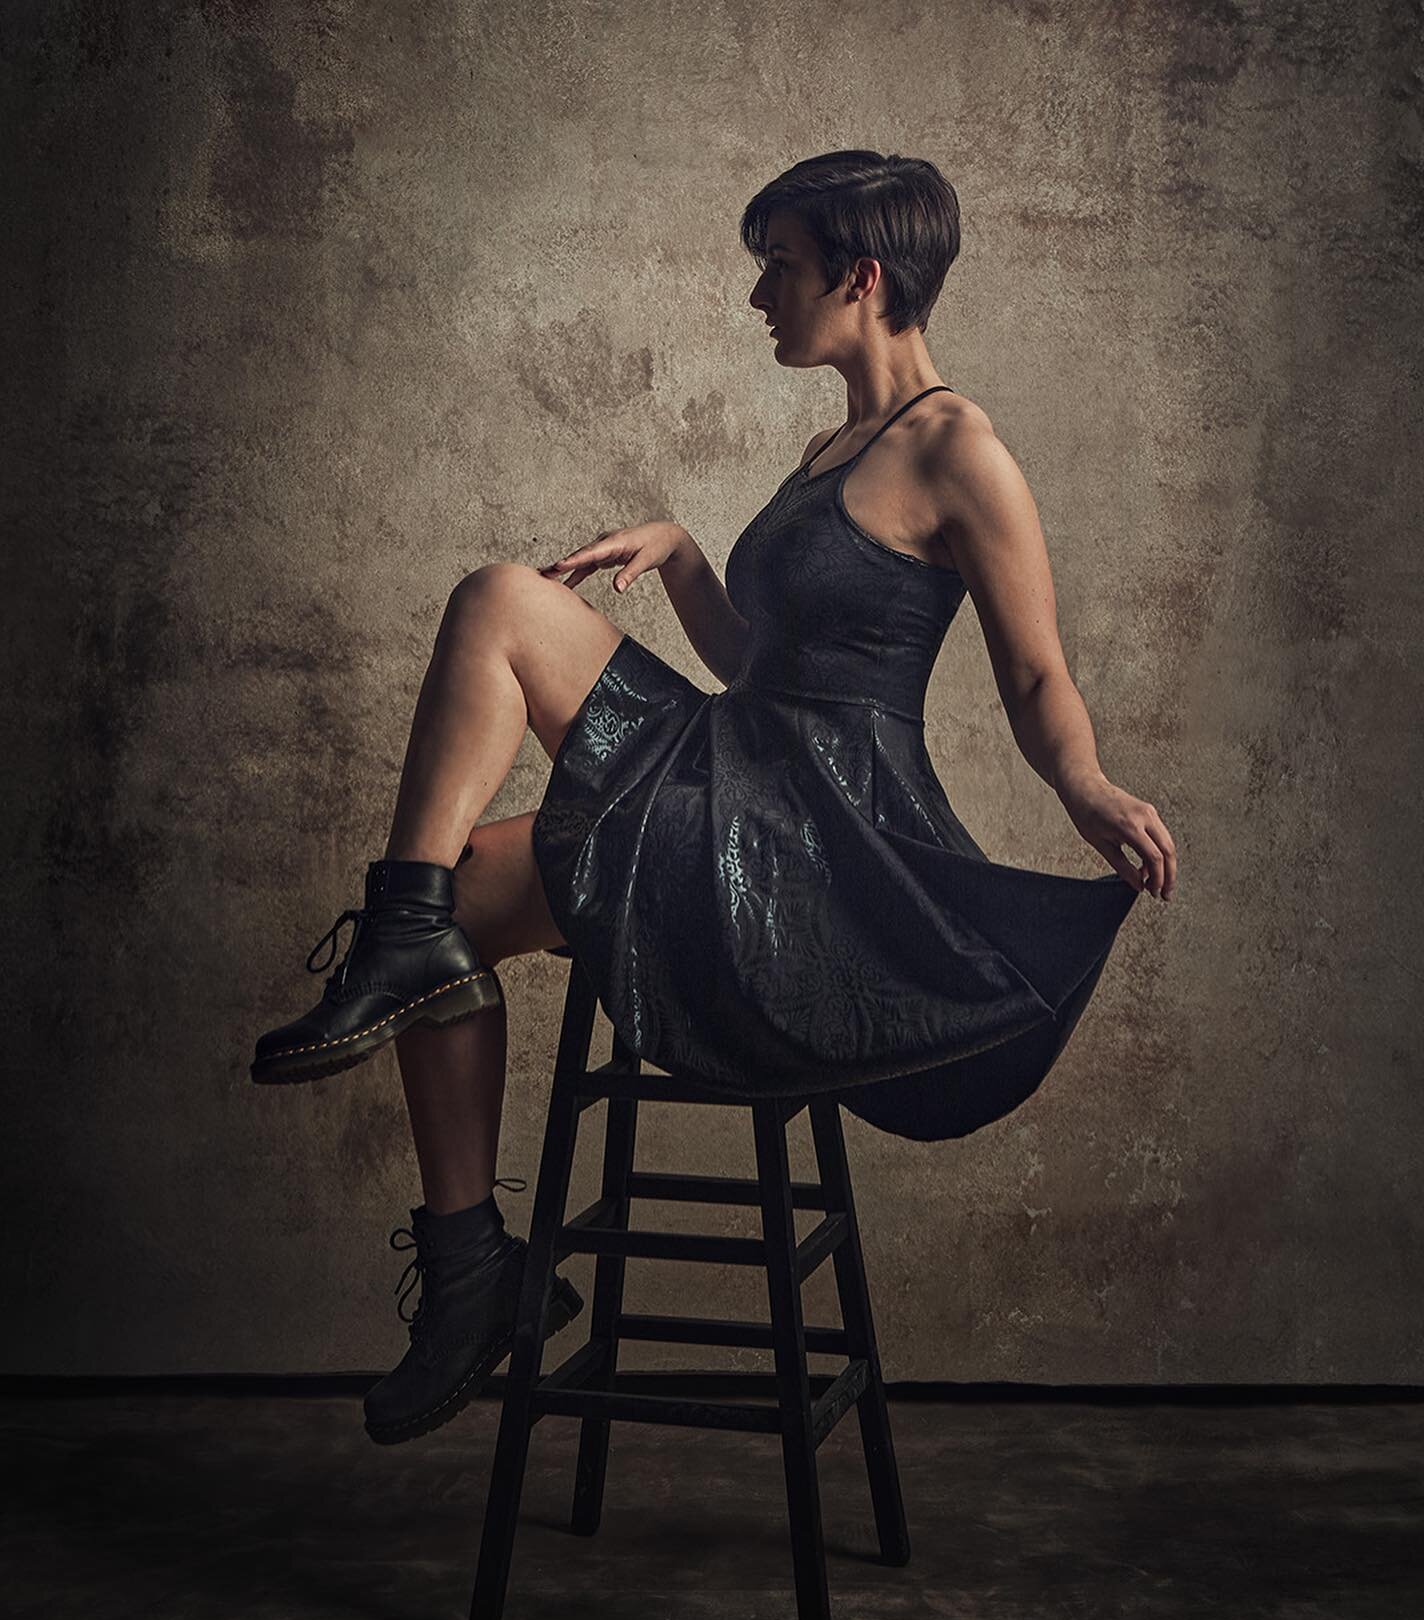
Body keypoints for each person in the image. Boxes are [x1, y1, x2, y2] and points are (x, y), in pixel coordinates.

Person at [250, 149, 1176, 1447]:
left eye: (779, 268)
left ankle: (398, 935)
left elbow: (1034, 674)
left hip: (811, 853)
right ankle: (472, 1273)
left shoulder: (962, 451)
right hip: (733, 780)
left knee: (504, 606)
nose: (759, 296)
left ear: (861, 279)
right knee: (452, 897)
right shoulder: (829, 447)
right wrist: (684, 554)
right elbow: (760, 673)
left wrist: (1085, 788)